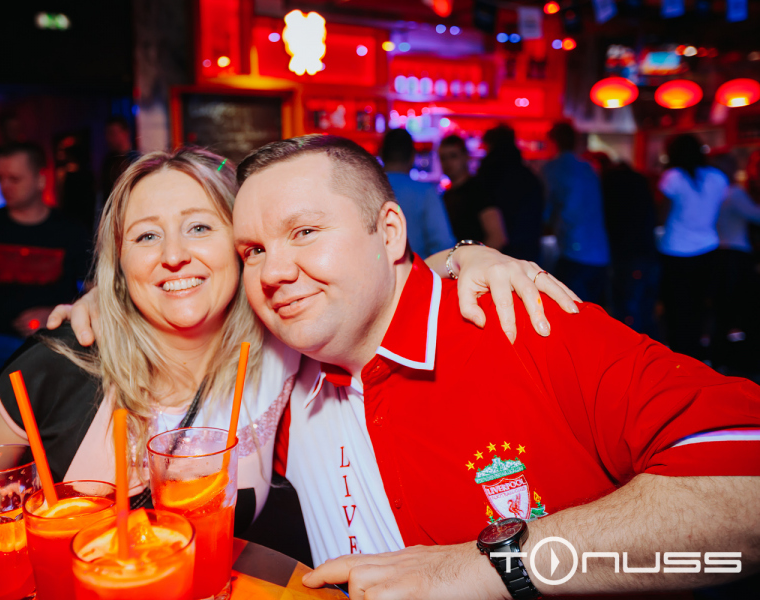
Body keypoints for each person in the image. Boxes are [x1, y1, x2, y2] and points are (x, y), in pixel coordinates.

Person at [0, 145, 578, 579]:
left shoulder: (287, 351)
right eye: (146, 236)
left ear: (242, 249)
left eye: (200, 226)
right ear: (118, 262)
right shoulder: (57, 367)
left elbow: (367, 280)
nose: (173, 255)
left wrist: (466, 256)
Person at [229, 135, 759, 599]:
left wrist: (496, 567)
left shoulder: (523, 322)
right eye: (253, 250)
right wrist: (458, 253)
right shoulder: (281, 385)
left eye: (304, 232)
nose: (272, 272)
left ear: (389, 232)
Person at [0, 142, 91, 414]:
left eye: (14, 179)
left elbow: (97, 292)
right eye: (0, 178)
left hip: (53, 339)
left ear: (40, 180)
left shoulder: (70, 231)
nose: (5, 186)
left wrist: (56, 313)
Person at [658, 134, 728, 360]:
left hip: (675, 250)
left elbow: (661, 215)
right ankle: (699, 359)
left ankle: (679, 362)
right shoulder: (717, 177)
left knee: (677, 312)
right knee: (700, 309)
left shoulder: (673, 177)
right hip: (708, 248)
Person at [542, 123, 611, 304]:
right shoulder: (589, 168)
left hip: (574, 251)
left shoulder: (553, 168)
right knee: (593, 312)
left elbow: (547, 209)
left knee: (571, 311)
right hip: (600, 253)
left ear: (554, 142)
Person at [600, 158, 660, 336]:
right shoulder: (639, 183)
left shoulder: (612, 186)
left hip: (628, 257)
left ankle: (634, 353)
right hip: (649, 255)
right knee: (645, 314)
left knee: (629, 314)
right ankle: (651, 352)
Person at [712, 151, 760, 367]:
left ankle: (720, 358)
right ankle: (742, 360)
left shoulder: (715, 191)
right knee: (743, 307)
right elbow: (757, 215)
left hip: (719, 252)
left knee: (724, 309)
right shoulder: (734, 192)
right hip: (736, 254)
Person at [473, 124, 543, 263]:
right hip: (529, 250)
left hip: (500, 253)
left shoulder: (489, 175)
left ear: (491, 145)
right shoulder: (528, 175)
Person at [381, 128, 455, 258]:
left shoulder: (366, 189)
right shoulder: (426, 192)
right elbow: (443, 244)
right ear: (413, 157)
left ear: (381, 154)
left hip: (372, 269)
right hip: (416, 268)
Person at [439, 135, 507, 250]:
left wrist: (476, 258)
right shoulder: (446, 195)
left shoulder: (478, 190)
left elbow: (497, 237)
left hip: (474, 258)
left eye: (453, 156)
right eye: (443, 158)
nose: (448, 162)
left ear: (466, 157)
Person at [101, 116, 140, 204]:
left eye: (112, 133)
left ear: (125, 133)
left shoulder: (135, 160)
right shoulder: (108, 161)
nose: (109, 138)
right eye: (107, 133)